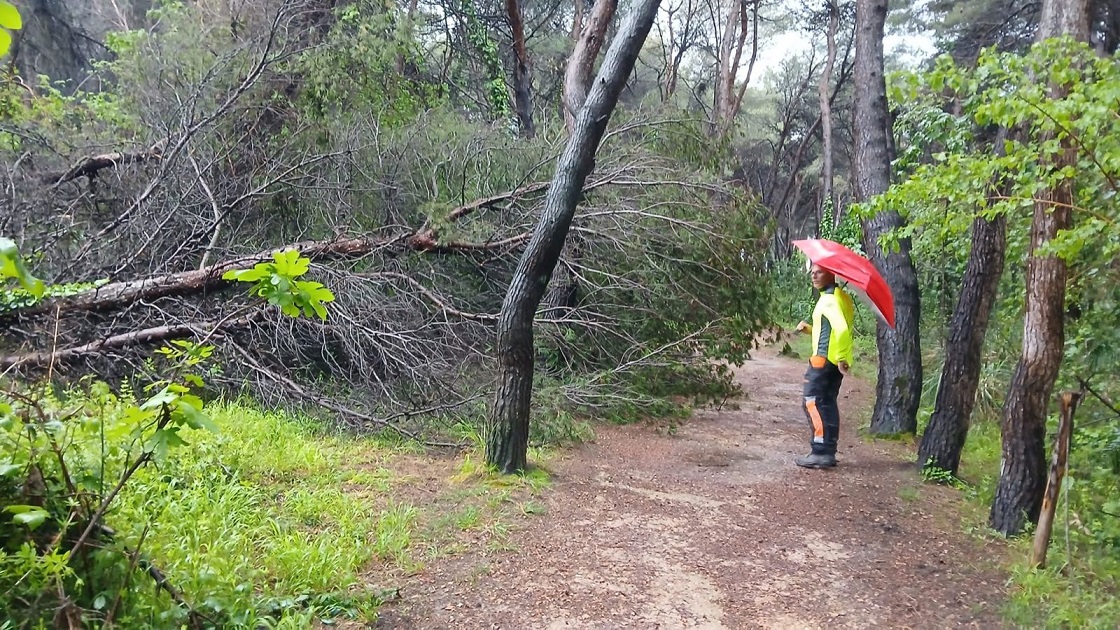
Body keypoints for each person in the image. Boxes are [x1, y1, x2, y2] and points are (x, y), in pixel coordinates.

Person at [793, 264, 854, 469]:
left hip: (823, 361)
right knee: (827, 403)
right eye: (812, 271)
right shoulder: (841, 297)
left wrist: (842, 357)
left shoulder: (827, 301)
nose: (813, 274)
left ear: (831, 274)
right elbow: (829, 332)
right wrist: (809, 329)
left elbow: (842, 330)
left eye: (819, 271)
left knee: (812, 403)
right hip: (833, 361)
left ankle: (819, 451)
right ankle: (829, 450)